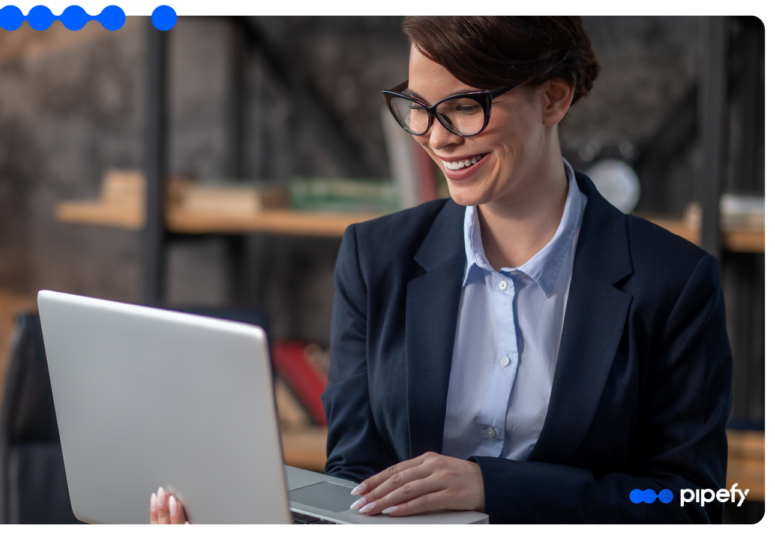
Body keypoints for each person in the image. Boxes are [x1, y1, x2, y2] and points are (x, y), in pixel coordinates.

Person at [152, 16, 732, 524]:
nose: (435, 138)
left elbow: (689, 502)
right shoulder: (375, 258)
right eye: (419, 107)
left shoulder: (673, 282)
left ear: (554, 99)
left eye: (464, 107)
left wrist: (493, 487)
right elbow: (355, 479)